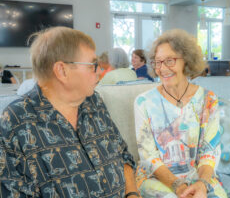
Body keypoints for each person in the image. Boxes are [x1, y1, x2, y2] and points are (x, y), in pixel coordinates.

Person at [0, 27, 140, 198]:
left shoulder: (94, 102)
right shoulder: (16, 121)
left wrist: (132, 193)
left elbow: (123, 154)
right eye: (93, 65)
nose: (99, 71)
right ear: (62, 71)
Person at [134, 29, 228, 198]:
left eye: (169, 61)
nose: (162, 69)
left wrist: (201, 183)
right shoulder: (143, 102)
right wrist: (179, 187)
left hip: (199, 177)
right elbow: (148, 157)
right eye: (157, 62)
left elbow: (210, 152)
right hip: (156, 178)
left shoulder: (208, 99)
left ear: (187, 60)